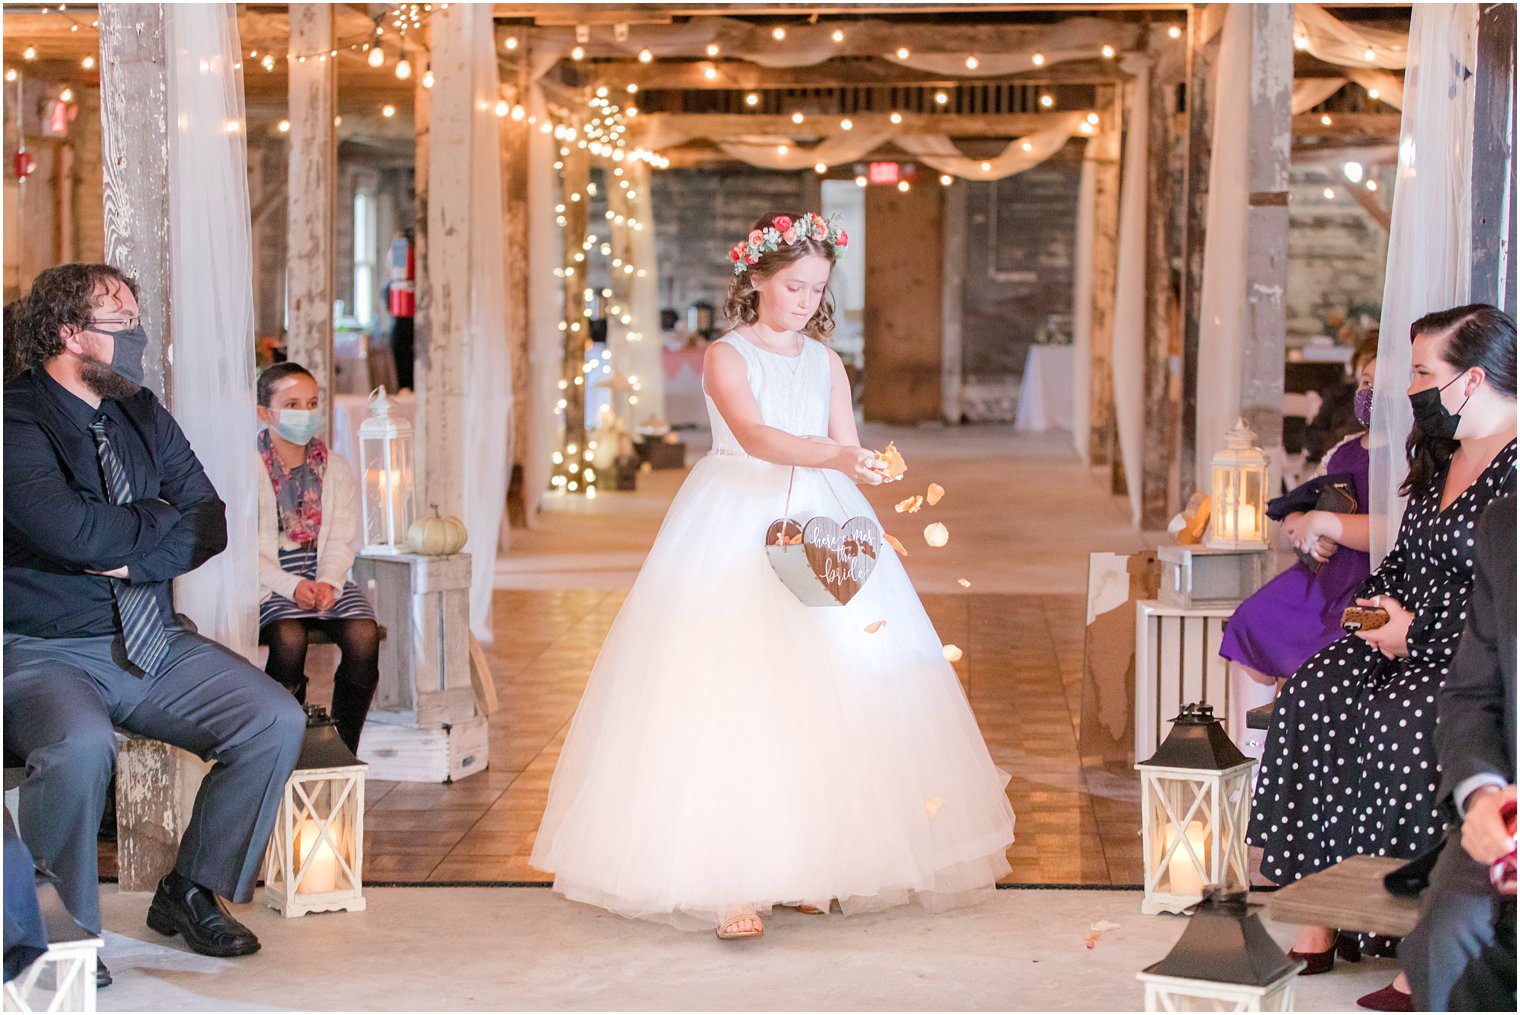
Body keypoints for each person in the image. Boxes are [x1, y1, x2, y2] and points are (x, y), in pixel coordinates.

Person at [530, 213, 1016, 940]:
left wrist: (870, 465)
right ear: (756, 278)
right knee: (736, 687)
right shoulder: (728, 355)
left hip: (820, 514)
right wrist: (835, 458)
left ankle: (814, 864)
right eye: (794, 285)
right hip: (737, 512)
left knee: (831, 684)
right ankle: (729, 875)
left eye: (817, 288)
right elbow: (756, 437)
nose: (805, 300)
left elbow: (845, 441)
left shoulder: (826, 361)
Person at [2, 265, 306, 981]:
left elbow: (209, 520)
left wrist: (132, 554)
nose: (137, 339)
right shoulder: (14, 419)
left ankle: (190, 887)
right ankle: (62, 927)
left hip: (151, 637)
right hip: (44, 650)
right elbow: (68, 532)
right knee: (80, 749)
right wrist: (155, 525)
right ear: (70, 333)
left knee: (272, 719)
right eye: (122, 325)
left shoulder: (140, 410)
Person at [1247, 303, 1516, 1012]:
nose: (1410, 391)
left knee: (1402, 717)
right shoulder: (1441, 455)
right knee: (1314, 690)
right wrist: (1372, 622)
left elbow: (1502, 608)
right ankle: (1320, 914)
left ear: (1473, 379)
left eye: (1424, 374)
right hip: (1396, 630)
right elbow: (1388, 574)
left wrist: (1416, 635)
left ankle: (1411, 942)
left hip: (1467, 654)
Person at [1400, 493, 1516, 1012]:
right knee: (1443, 941)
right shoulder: (1506, 523)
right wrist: (1483, 794)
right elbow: (1471, 695)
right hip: (1508, 822)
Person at [1220, 341, 1377, 688]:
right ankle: (1253, 741)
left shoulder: (1412, 456)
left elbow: (1398, 528)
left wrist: (1327, 525)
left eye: (1383, 384)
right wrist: (1299, 524)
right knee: (1249, 623)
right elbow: (1305, 500)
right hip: (1323, 577)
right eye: (1366, 383)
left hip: (1370, 585)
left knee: (1329, 660)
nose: (1371, 392)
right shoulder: (1342, 450)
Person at [255, 362, 380, 754]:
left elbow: (342, 540)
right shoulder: (246, 468)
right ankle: (285, 746)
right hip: (269, 578)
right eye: (291, 404)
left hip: (324, 572)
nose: (304, 413)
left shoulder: (335, 467)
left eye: (311, 403)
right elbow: (244, 553)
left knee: (364, 636)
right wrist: (293, 587)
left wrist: (327, 582)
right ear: (265, 413)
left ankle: (342, 748)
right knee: (289, 638)